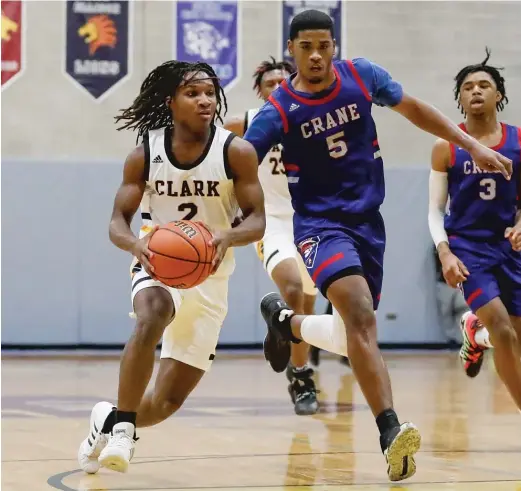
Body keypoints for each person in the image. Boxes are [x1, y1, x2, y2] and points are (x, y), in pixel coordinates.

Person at [243, 10, 512, 482]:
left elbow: (414, 109)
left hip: (369, 223)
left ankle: (287, 322)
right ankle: (390, 429)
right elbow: (242, 158)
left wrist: (468, 144)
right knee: (360, 312)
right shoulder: (280, 108)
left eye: (324, 45)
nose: (316, 55)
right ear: (292, 52)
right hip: (319, 226)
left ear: (334, 46)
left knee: (354, 336)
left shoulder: (361, 76)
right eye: (305, 47)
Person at [77, 60, 265, 474]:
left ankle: (108, 418)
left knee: (164, 404)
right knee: (153, 314)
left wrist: (228, 237)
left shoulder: (237, 152)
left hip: (211, 277)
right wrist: (135, 243)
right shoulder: (145, 154)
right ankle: (124, 432)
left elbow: (257, 219)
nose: (204, 101)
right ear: (171, 102)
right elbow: (116, 222)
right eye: (192, 93)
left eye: (209, 93)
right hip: (158, 262)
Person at [224, 57, 319, 415]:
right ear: (260, 92)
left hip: (313, 221)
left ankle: (296, 367)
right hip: (272, 221)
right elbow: (210, 152)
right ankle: (302, 374)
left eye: (284, 81)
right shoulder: (246, 123)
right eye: (270, 84)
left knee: (306, 307)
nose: (278, 87)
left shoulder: (311, 116)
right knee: (292, 288)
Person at [428, 49, 521, 409]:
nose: (476, 91)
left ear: (499, 95)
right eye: (468, 87)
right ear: (460, 98)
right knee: (501, 327)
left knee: (512, 337)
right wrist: (445, 252)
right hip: (467, 249)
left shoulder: (517, 142)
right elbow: (435, 210)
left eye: (485, 85)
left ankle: (475, 336)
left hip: (508, 248)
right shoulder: (445, 146)